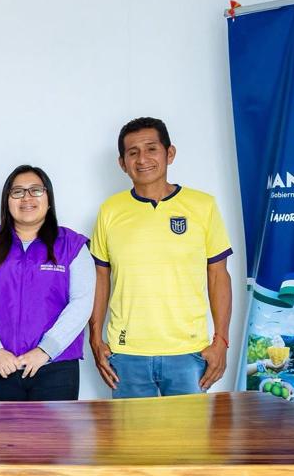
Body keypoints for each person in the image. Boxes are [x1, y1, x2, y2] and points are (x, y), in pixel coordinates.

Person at [0, 165, 92, 476]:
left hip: (55, 369)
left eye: (35, 190)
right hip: (4, 366)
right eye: (18, 191)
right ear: (6, 200)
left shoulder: (71, 244)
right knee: (18, 457)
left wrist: (45, 351)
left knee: (56, 456)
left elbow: (82, 302)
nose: (27, 198)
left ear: (48, 198)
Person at [88, 117, 233, 399]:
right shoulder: (110, 211)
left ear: (170, 153)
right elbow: (100, 278)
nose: (142, 159)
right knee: (131, 431)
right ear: (122, 163)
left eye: (151, 149)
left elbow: (218, 275)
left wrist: (222, 341)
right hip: (126, 354)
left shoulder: (203, 206)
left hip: (189, 352)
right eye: (133, 152)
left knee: (189, 431)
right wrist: (95, 339)